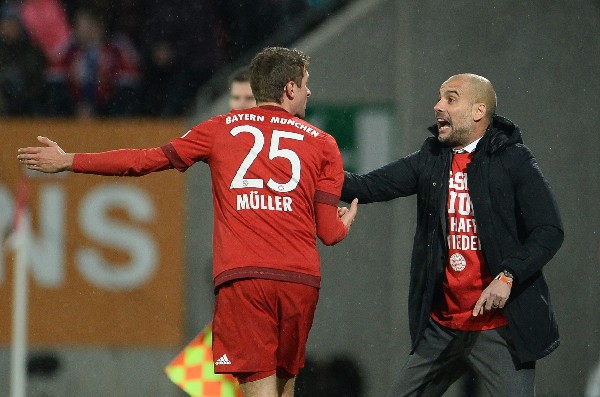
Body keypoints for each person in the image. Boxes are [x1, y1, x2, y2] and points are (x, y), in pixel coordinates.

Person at [18, 46, 358, 397]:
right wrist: (344, 222)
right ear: (289, 89)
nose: (308, 92)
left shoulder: (219, 129)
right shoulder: (324, 144)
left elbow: (143, 161)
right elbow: (329, 234)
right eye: (305, 84)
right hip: (300, 282)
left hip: (245, 280)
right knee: (283, 391)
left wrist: (71, 159)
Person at [340, 73, 563, 397]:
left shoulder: (514, 160)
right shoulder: (431, 160)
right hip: (444, 326)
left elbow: (549, 229)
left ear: (478, 111)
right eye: (440, 97)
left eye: (450, 98)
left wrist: (508, 274)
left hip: (499, 329)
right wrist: (312, 158)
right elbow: (367, 186)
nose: (437, 106)